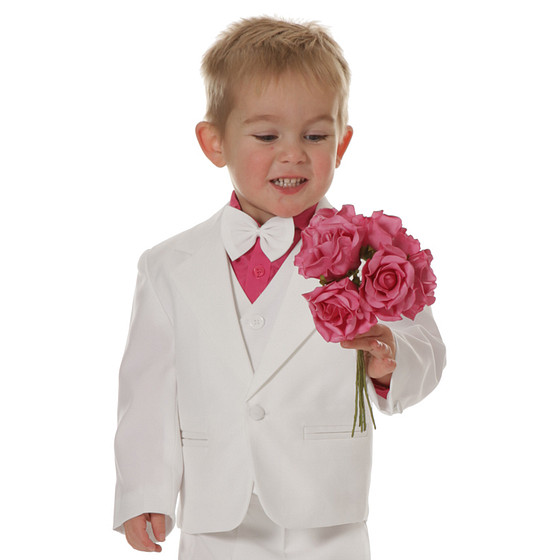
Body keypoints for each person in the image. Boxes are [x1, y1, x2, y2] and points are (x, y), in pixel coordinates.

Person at [113, 16, 446, 559]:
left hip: (327, 516)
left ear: (342, 143)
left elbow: (426, 349)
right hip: (216, 517)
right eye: (267, 136)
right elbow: (147, 390)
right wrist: (143, 491)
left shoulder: (372, 253)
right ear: (214, 142)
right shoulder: (167, 266)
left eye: (315, 136)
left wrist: (390, 361)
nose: (293, 154)